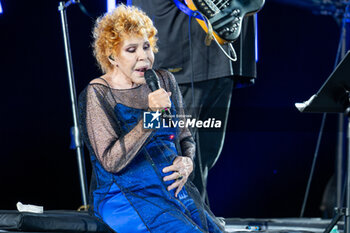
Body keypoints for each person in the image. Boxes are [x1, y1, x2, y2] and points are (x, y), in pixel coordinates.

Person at [78, 5, 225, 233]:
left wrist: (187, 162)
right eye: (131, 49)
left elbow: (186, 137)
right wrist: (152, 116)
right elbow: (111, 161)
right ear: (112, 56)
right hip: (125, 195)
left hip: (172, 191)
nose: (143, 56)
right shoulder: (99, 92)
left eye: (146, 46)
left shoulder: (165, 80)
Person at [130, 0, 257, 203]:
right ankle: (189, 217)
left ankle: (198, 214)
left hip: (222, 51)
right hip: (179, 52)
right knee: (177, 152)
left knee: (205, 153)